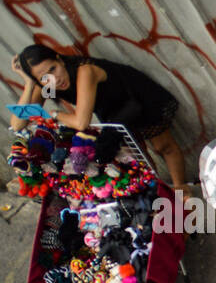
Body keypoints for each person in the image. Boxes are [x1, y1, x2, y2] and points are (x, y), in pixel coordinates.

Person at [9, 44, 188, 193]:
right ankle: (161, 194)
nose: (55, 79)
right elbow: (18, 123)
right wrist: (29, 83)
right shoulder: (48, 86)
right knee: (138, 157)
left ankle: (182, 193)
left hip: (134, 96)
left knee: (163, 146)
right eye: (44, 78)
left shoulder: (84, 71)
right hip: (112, 112)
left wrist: (56, 115)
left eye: (53, 68)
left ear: (59, 59)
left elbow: (81, 122)